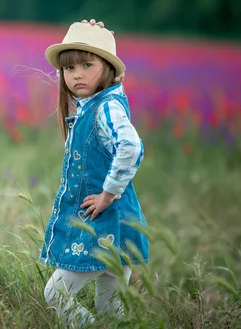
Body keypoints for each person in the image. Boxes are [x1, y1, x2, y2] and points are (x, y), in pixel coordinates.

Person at [39, 19, 149, 327]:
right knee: (110, 309)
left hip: (101, 228)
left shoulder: (105, 108)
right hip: (119, 227)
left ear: (107, 70)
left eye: (87, 65)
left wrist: (108, 193)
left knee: (55, 294)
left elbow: (131, 146)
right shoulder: (100, 103)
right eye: (69, 69)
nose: (76, 75)